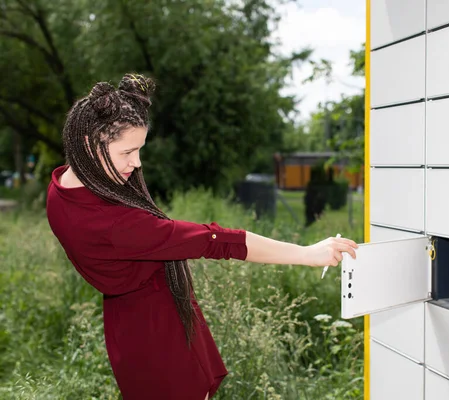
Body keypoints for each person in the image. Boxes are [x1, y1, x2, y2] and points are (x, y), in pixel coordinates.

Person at [46, 73, 358, 400]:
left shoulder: (59, 190)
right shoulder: (120, 227)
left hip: (125, 329)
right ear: (88, 142)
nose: (136, 163)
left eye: (139, 149)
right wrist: (308, 254)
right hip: (159, 336)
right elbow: (215, 240)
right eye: (127, 152)